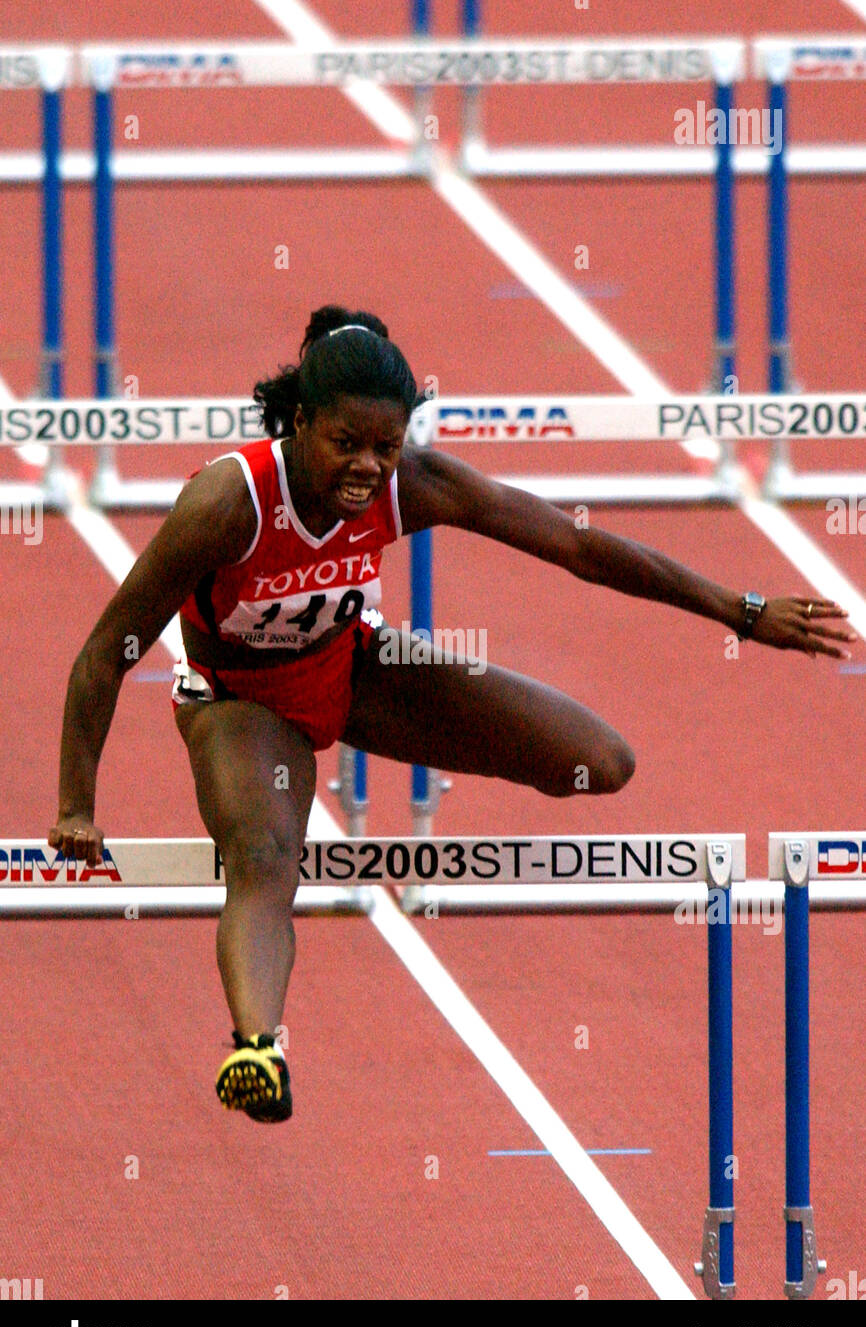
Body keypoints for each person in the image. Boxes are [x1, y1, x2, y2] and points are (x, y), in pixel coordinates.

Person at [49, 304, 855, 1123]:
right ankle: (258, 1047)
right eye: (346, 444)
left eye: (385, 447)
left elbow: (577, 547)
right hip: (242, 702)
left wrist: (740, 612)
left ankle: (262, 1032)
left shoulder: (410, 485)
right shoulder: (232, 501)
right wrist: (77, 803)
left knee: (600, 760)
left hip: (355, 668)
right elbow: (108, 648)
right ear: (301, 422)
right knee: (263, 854)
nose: (368, 467)